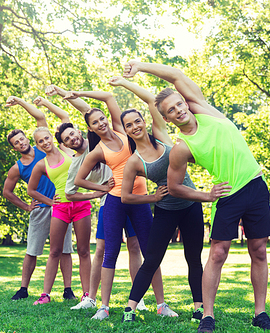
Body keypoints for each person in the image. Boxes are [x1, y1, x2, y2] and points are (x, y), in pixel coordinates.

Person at [124, 60, 270, 332]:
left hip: (255, 186)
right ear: (167, 119)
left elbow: (175, 75)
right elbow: (174, 187)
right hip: (228, 195)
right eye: (170, 111)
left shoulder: (205, 109)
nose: (178, 110)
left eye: (178, 104)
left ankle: (260, 313)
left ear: (184, 102)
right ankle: (207, 316)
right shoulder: (182, 148)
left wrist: (140, 67)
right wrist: (207, 196)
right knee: (218, 252)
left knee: (259, 250)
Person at [70, 89, 174, 320]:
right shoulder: (98, 150)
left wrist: (77, 93)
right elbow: (78, 180)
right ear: (91, 128)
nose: (101, 124)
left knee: (150, 253)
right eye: (95, 123)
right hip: (116, 202)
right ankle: (103, 307)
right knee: (110, 253)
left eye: (102, 119)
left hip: (141, 201)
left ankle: (161, 304)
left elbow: (108, 97)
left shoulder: (125, 132)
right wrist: (102, 189)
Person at [108, 76, 205, 323]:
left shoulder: (161, 135)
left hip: (191, 204)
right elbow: (126, 197)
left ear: (143, 121)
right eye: (128, 125)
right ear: (126, 130)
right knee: (151, 259)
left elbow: (153, 100)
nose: (135, 126)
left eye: (137, 121)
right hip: (165, 210)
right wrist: (152, 197)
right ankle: (129, 308)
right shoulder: (133, 162)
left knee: (193, 258)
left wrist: (123, 84)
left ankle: (199, 307)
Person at [45, 85, 148, 311]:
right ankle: (91, 298)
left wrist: (66, 93)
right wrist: (97, 191)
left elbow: (88, 111)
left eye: (73, 133)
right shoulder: (80, 161)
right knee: (101, 250)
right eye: (67, 139)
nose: (72, 139)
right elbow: (71, 191)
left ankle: (138, 298)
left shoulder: (99, 138)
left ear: (80, 131)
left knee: (134, 246)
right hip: (110, 204)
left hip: (133, 196)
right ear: (65, 145)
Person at [26, 96, 99, 305]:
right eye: (40, 142)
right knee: (55, 251)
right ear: (38, 146)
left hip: (81, 205)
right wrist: (49, 202)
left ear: (52, 138)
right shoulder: (41, 164)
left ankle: (87, 295)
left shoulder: (68, 149)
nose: (45, 143)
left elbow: (65, 116)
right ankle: (45, 295)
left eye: (47, 138)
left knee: (84, 250)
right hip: (60, 208)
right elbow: (31, 190)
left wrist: (47, 102)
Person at [2, 96, 74, 301]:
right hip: (41, 209)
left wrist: (19, 102)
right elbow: (7, 192)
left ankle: (67, 289)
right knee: (32, 250)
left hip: (62, 205)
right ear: (14, 148)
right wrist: (26, 206)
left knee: (64, 250)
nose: (20, 143)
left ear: (27, 139)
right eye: (16, 143)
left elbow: (40, 116)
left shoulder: (44, 148)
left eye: (22, 139)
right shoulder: (18, 167)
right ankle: (24, 289)